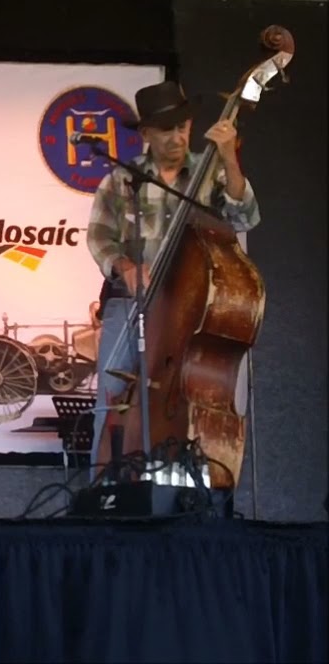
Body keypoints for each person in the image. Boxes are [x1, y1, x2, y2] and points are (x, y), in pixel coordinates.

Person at [85, 80, 259, 478]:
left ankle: (183, 490)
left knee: (185, 398)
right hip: (130, 306)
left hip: (189, 309)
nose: (178, 137)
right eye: (167, 130)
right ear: (146, 135)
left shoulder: (209, 171)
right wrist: (126, 269)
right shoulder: (120, 180)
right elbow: (99, 237)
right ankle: (103, 489)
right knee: (111, 401)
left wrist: (229, 157)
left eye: (183, 127)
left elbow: (244, 216)